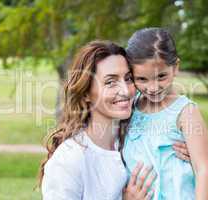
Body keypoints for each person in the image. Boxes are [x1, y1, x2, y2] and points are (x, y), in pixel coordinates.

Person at [38, 40, 190, 200]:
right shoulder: (70, 159)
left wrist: (187, 154)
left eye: (128, 78)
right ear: (86, 94)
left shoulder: (136, 139)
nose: (125, 91)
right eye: (110, 82)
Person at [123, 27, 208, 200]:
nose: (152, 88)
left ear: (175, 68)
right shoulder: (131, 106)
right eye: (142, 79)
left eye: (161, 77)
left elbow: (202, 169)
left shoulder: (185, 112)